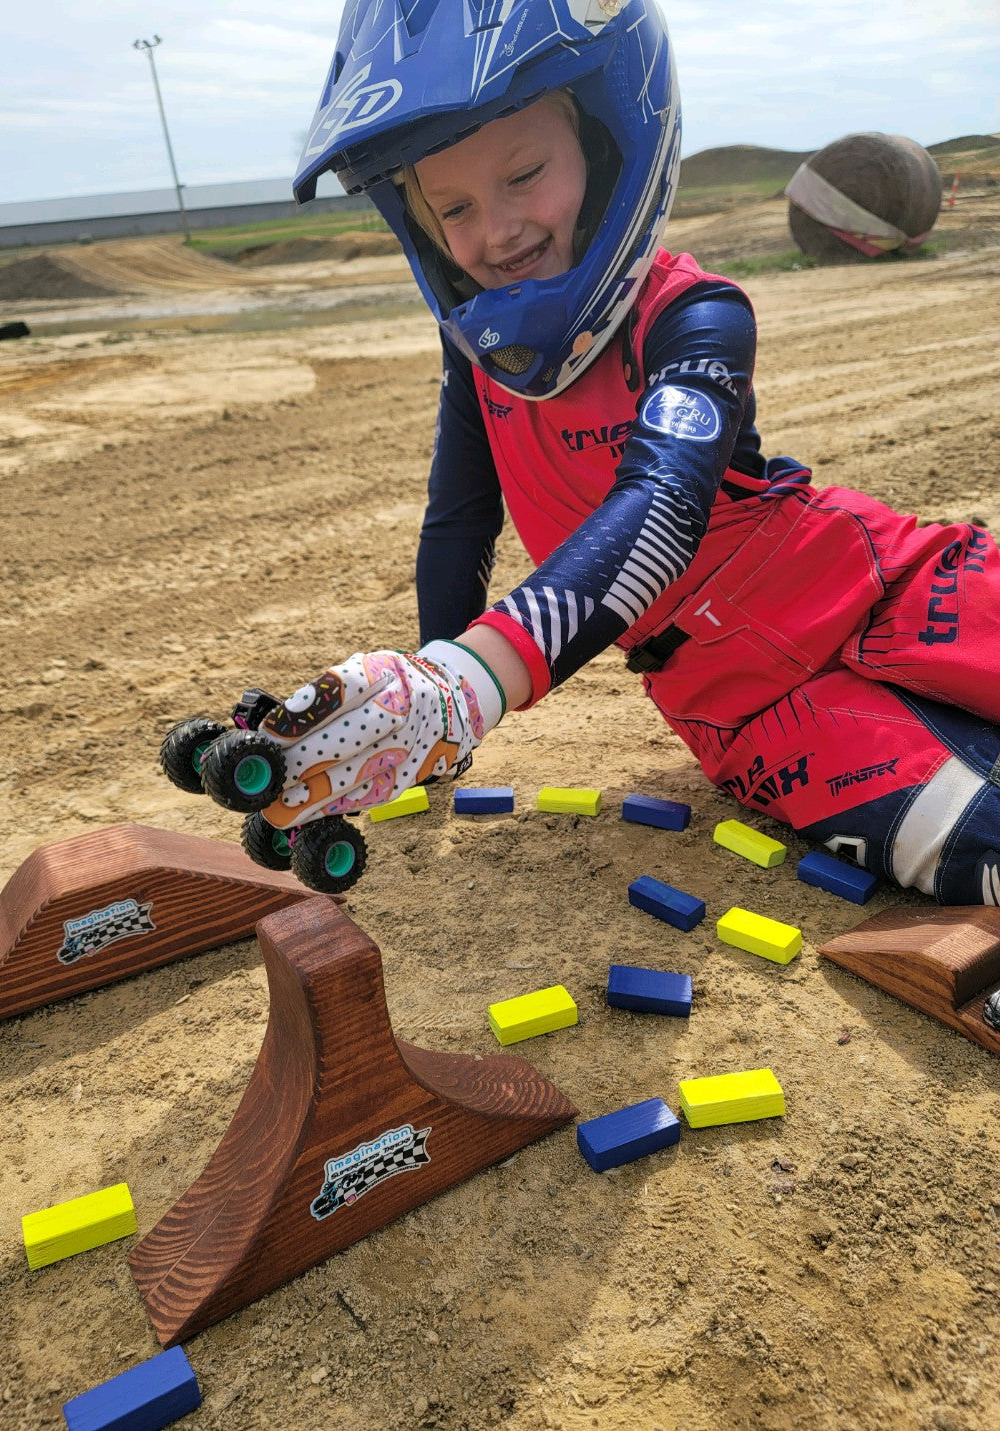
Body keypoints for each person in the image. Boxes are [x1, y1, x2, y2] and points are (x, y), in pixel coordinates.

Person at [263, 0, 1000, 905]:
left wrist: (468, 682)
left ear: (608, 146)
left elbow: (664, 501)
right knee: (983, 845)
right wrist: (429, 709)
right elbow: (456, 526)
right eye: (452, 206)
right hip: (749, 707)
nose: (496, 230)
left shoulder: (693, 312)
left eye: (524, 173)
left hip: (884, 587)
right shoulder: (478, 365)